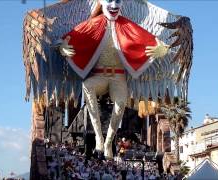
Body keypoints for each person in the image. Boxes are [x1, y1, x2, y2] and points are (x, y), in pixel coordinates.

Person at [59, 0, 169, 159]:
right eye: (109, 0)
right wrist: (61, 46)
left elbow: (159, 44)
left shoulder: (128, 26)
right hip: (100, 75)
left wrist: (162, 49)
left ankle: (108, 141)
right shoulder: (92, 24)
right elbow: (64, 40)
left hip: (118, 76)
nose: (114, 4)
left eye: (117, 0)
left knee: (120, 105)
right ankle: (99, 137)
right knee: (86, 86)